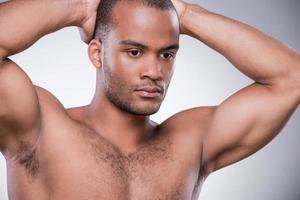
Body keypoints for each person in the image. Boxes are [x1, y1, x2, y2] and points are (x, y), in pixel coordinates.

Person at [0, 0, 299, 199]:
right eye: (134, 52)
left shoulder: (190, 142)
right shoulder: (41, 128)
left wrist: (185, 16)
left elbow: (291, 77)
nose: (155, 72)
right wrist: (78, 7)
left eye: (167, 54)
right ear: (96, 53)